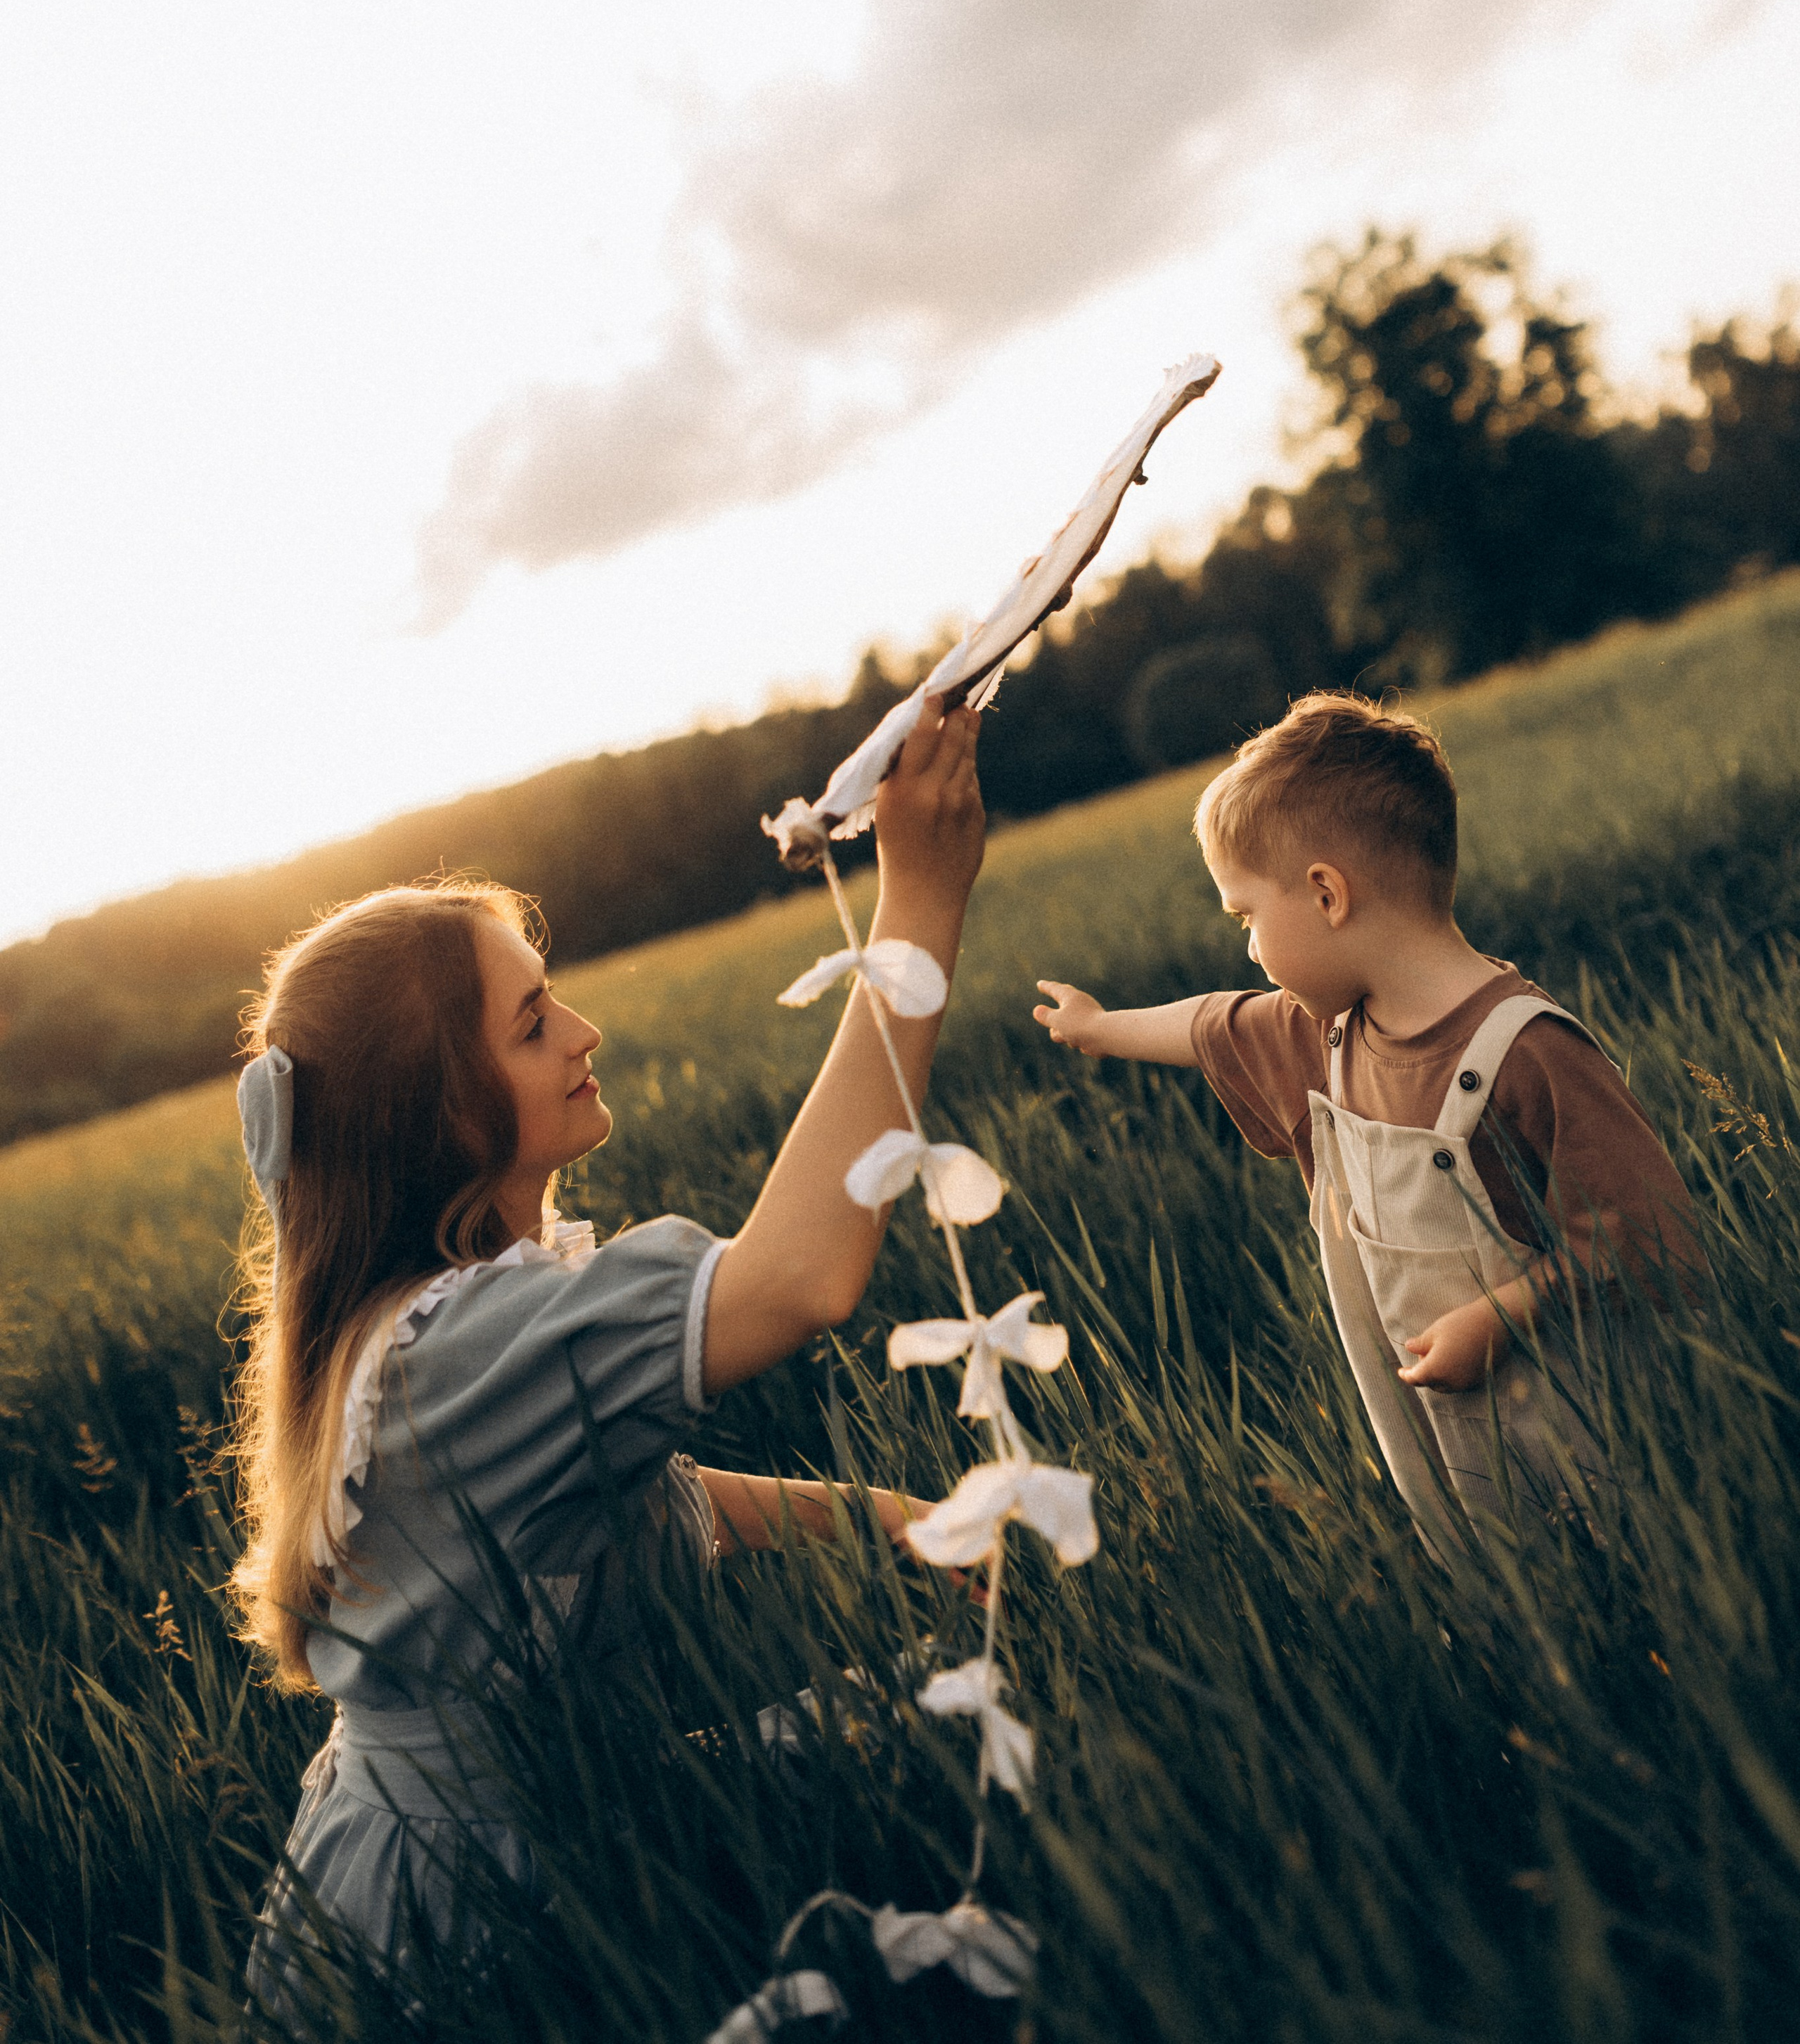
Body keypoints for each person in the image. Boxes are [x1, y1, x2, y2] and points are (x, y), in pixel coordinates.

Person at [232, 694, 984, 2015]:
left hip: (493, 1830)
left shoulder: (433, 1323)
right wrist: (915, 897)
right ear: (441, 1115)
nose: (584, 1031)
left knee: (930, 1718)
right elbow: (803, 1274)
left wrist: (888, 1520)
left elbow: (636, 1505)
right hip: (471, 1922)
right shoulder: (459, 1347)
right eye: (531, 1023)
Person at [1031, 692, 1701, 1551]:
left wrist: (1505, 1314)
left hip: (1599, 1463)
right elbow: (1209, 1023)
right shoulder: (1328, 1034)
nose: (1248, 949)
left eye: (1245, 916)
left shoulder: (1525, 1051)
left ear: (1325, 893)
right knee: (1496, 1574)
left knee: (1607, 1580)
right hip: (1444, 1462)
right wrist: (1098, 1027)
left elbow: (1644, 1231)